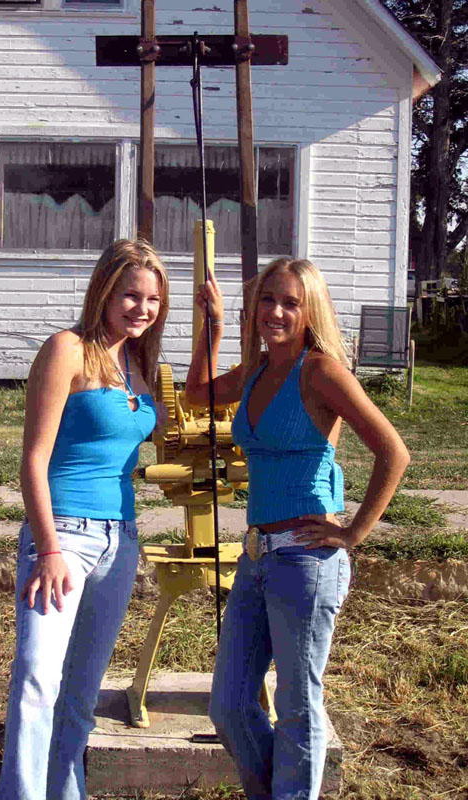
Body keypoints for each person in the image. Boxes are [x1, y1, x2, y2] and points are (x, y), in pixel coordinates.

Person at [185, 258, 410, 800]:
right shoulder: (258, 370)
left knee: (297, 704)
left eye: (290, 302)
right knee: (230, 706)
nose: (276, 312)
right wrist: (212, 329)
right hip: (258, 556)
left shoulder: (321, 371)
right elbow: (198, 395)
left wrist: (352, 532)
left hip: (307, 562)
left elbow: (393, 452)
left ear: (310, 311)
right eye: (268, 300)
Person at [0, 239, 169, 800]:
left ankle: (66, 790)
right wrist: (46, 548)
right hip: (63, 536)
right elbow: (33, 459)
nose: (141, 308)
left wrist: (213, 328)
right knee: (38, 680)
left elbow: (173, 423)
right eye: (130, 295)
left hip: (120, 540)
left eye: (152, 299)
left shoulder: (138, 363)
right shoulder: (67, 349)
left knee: (82, 690)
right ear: (104, 291)